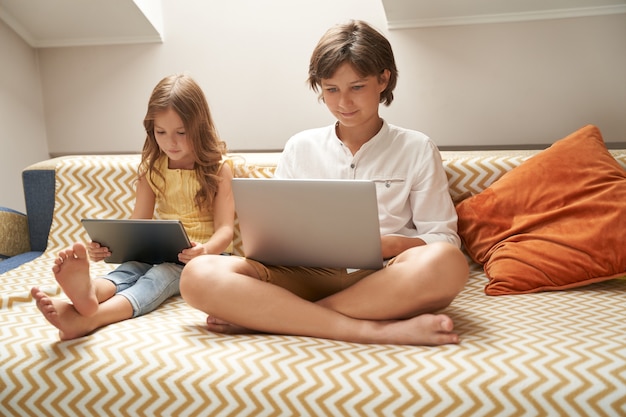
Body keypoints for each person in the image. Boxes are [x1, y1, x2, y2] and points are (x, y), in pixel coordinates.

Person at [180, 20, 469, 346]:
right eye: (331, 90)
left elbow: (444, 238)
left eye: (356, 87)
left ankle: (279, 318)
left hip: (383, 278)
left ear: (383, 79)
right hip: (302, 273)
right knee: (198, 274)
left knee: (448, 263)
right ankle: (371, 330)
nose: (343, 103)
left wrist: (387, 244)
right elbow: (273, 232)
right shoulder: (300, 147)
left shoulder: (416, 148)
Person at [31, 74, 235, 340]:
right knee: (130, 267)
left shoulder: (219, 169)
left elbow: (226, 230)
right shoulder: (152, 170)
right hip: (160, 250)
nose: (170, 142)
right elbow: (138, 224)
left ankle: (90, 319)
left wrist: (204, 250)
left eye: (181, 133)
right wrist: (109, 245)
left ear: (199, 126)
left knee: (160, 275)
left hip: (206, 258)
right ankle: (89, 293)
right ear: (151, 130)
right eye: (161, 132)